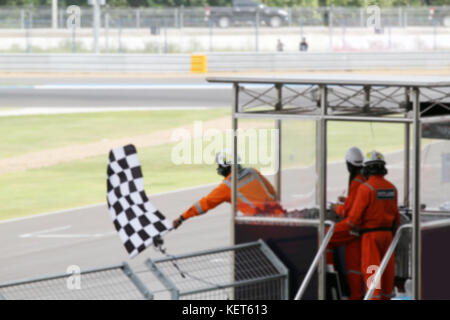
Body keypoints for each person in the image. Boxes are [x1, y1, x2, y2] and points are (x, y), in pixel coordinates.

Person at [173, 150, 285, 229]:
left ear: (226, 167)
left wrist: (182, 218)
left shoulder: (227, 186)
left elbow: (203, 204)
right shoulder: (253, 171)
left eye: (220, 166)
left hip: (261, 224)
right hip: (281, 216)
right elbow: (272, 192)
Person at [346, 150, 400, 300]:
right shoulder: (392, 188)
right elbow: (397, 218)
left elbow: (353, 219)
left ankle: (373, 297)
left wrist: (352, 226)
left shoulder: (365, 188)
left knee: (372, 272)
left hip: (370, 237)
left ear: (366, 169)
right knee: (387, 271)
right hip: (388, 237)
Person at [326, 146, 365, 300]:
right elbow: (358, 202)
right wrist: (347, 201)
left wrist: (338, 207)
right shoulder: (363, 180)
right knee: (354, 266)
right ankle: (356, 296)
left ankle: (330, 283)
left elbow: (349, 211)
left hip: (352, 226)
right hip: (361, 230)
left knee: (325, 237)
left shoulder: (356, 182)